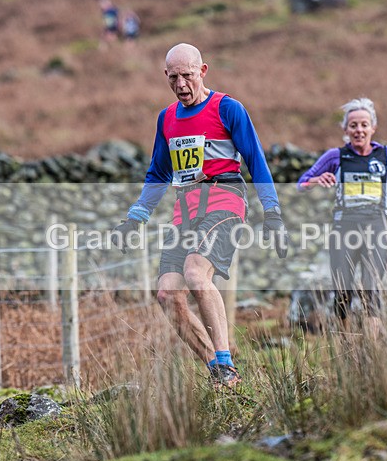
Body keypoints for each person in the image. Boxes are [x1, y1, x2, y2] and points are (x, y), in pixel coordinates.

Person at [113, 43, 287, 388]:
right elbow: (158, 173)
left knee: (195, 273)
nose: (181, 85)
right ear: (166, 76)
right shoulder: (166, 119)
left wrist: (273, 212)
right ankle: (220, 371)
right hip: (186, 209)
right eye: (173, 78)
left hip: (226, 200)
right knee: (167, 294)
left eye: (188, 76)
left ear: (203, 71)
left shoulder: (229, 108)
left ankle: (225, 360)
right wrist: (135, 217)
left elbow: (256, 160)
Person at [297, 98, 387, 338]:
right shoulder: (335, 156)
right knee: (343, 291)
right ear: (345, 130)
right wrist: (316, 180)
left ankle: (373, 350)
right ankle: (346, 346)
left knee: (371, 288)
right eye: (353, 125)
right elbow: (300, 184)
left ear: (373, 128)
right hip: (344, 229)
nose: (359, 130)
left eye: (364, 125)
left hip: (376, 226)